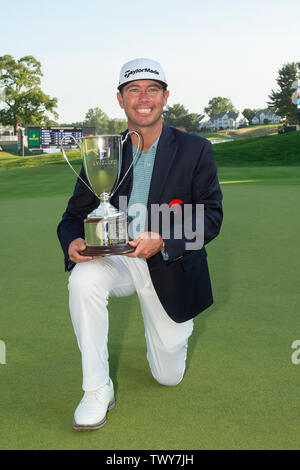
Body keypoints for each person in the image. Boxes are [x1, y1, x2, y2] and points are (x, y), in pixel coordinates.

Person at [57, 58, 223, 431]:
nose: (143, 98)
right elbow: (73, 216)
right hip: (116, 259)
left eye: (152, 89)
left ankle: (162, 336)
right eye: (133, 89)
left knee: (168, 375)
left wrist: (163, 238)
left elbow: (211, 217)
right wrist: (73, 241)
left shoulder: (195, 149)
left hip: (167, 262)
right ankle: (97, 389)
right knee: (83, 279)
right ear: (120, 99)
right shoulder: (106, 151)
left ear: (165, 97)